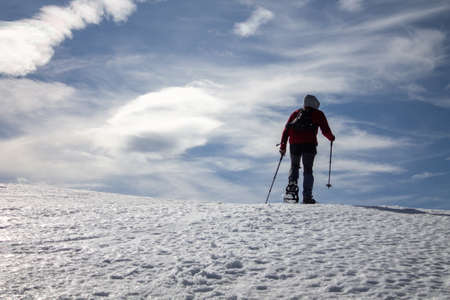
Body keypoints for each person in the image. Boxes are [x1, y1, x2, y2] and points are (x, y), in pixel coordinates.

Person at [279, 94, 335, 204]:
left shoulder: (296, 113)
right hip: (309, 144)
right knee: (308, 169)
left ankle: (292, 187)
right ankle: (307, 197)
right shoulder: (318, 114)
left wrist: (283, 147)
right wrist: (331, 138)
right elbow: (325, 130)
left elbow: (286, 130)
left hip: (294, 144)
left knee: (294, 166)